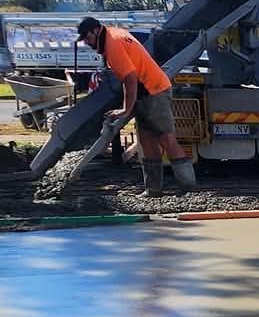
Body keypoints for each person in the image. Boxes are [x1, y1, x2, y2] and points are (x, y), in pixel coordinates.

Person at [75, 16, 196, 194]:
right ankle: (153, 189)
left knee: (166, 139)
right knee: (147, 142)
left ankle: (188, 187)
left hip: (154, 90)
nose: (86, 42)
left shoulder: (112, 44)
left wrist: (126, 109)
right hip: (144, 93)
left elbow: (129, 78)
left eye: (87, 37)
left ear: (95, 30)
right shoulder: (115, 34)